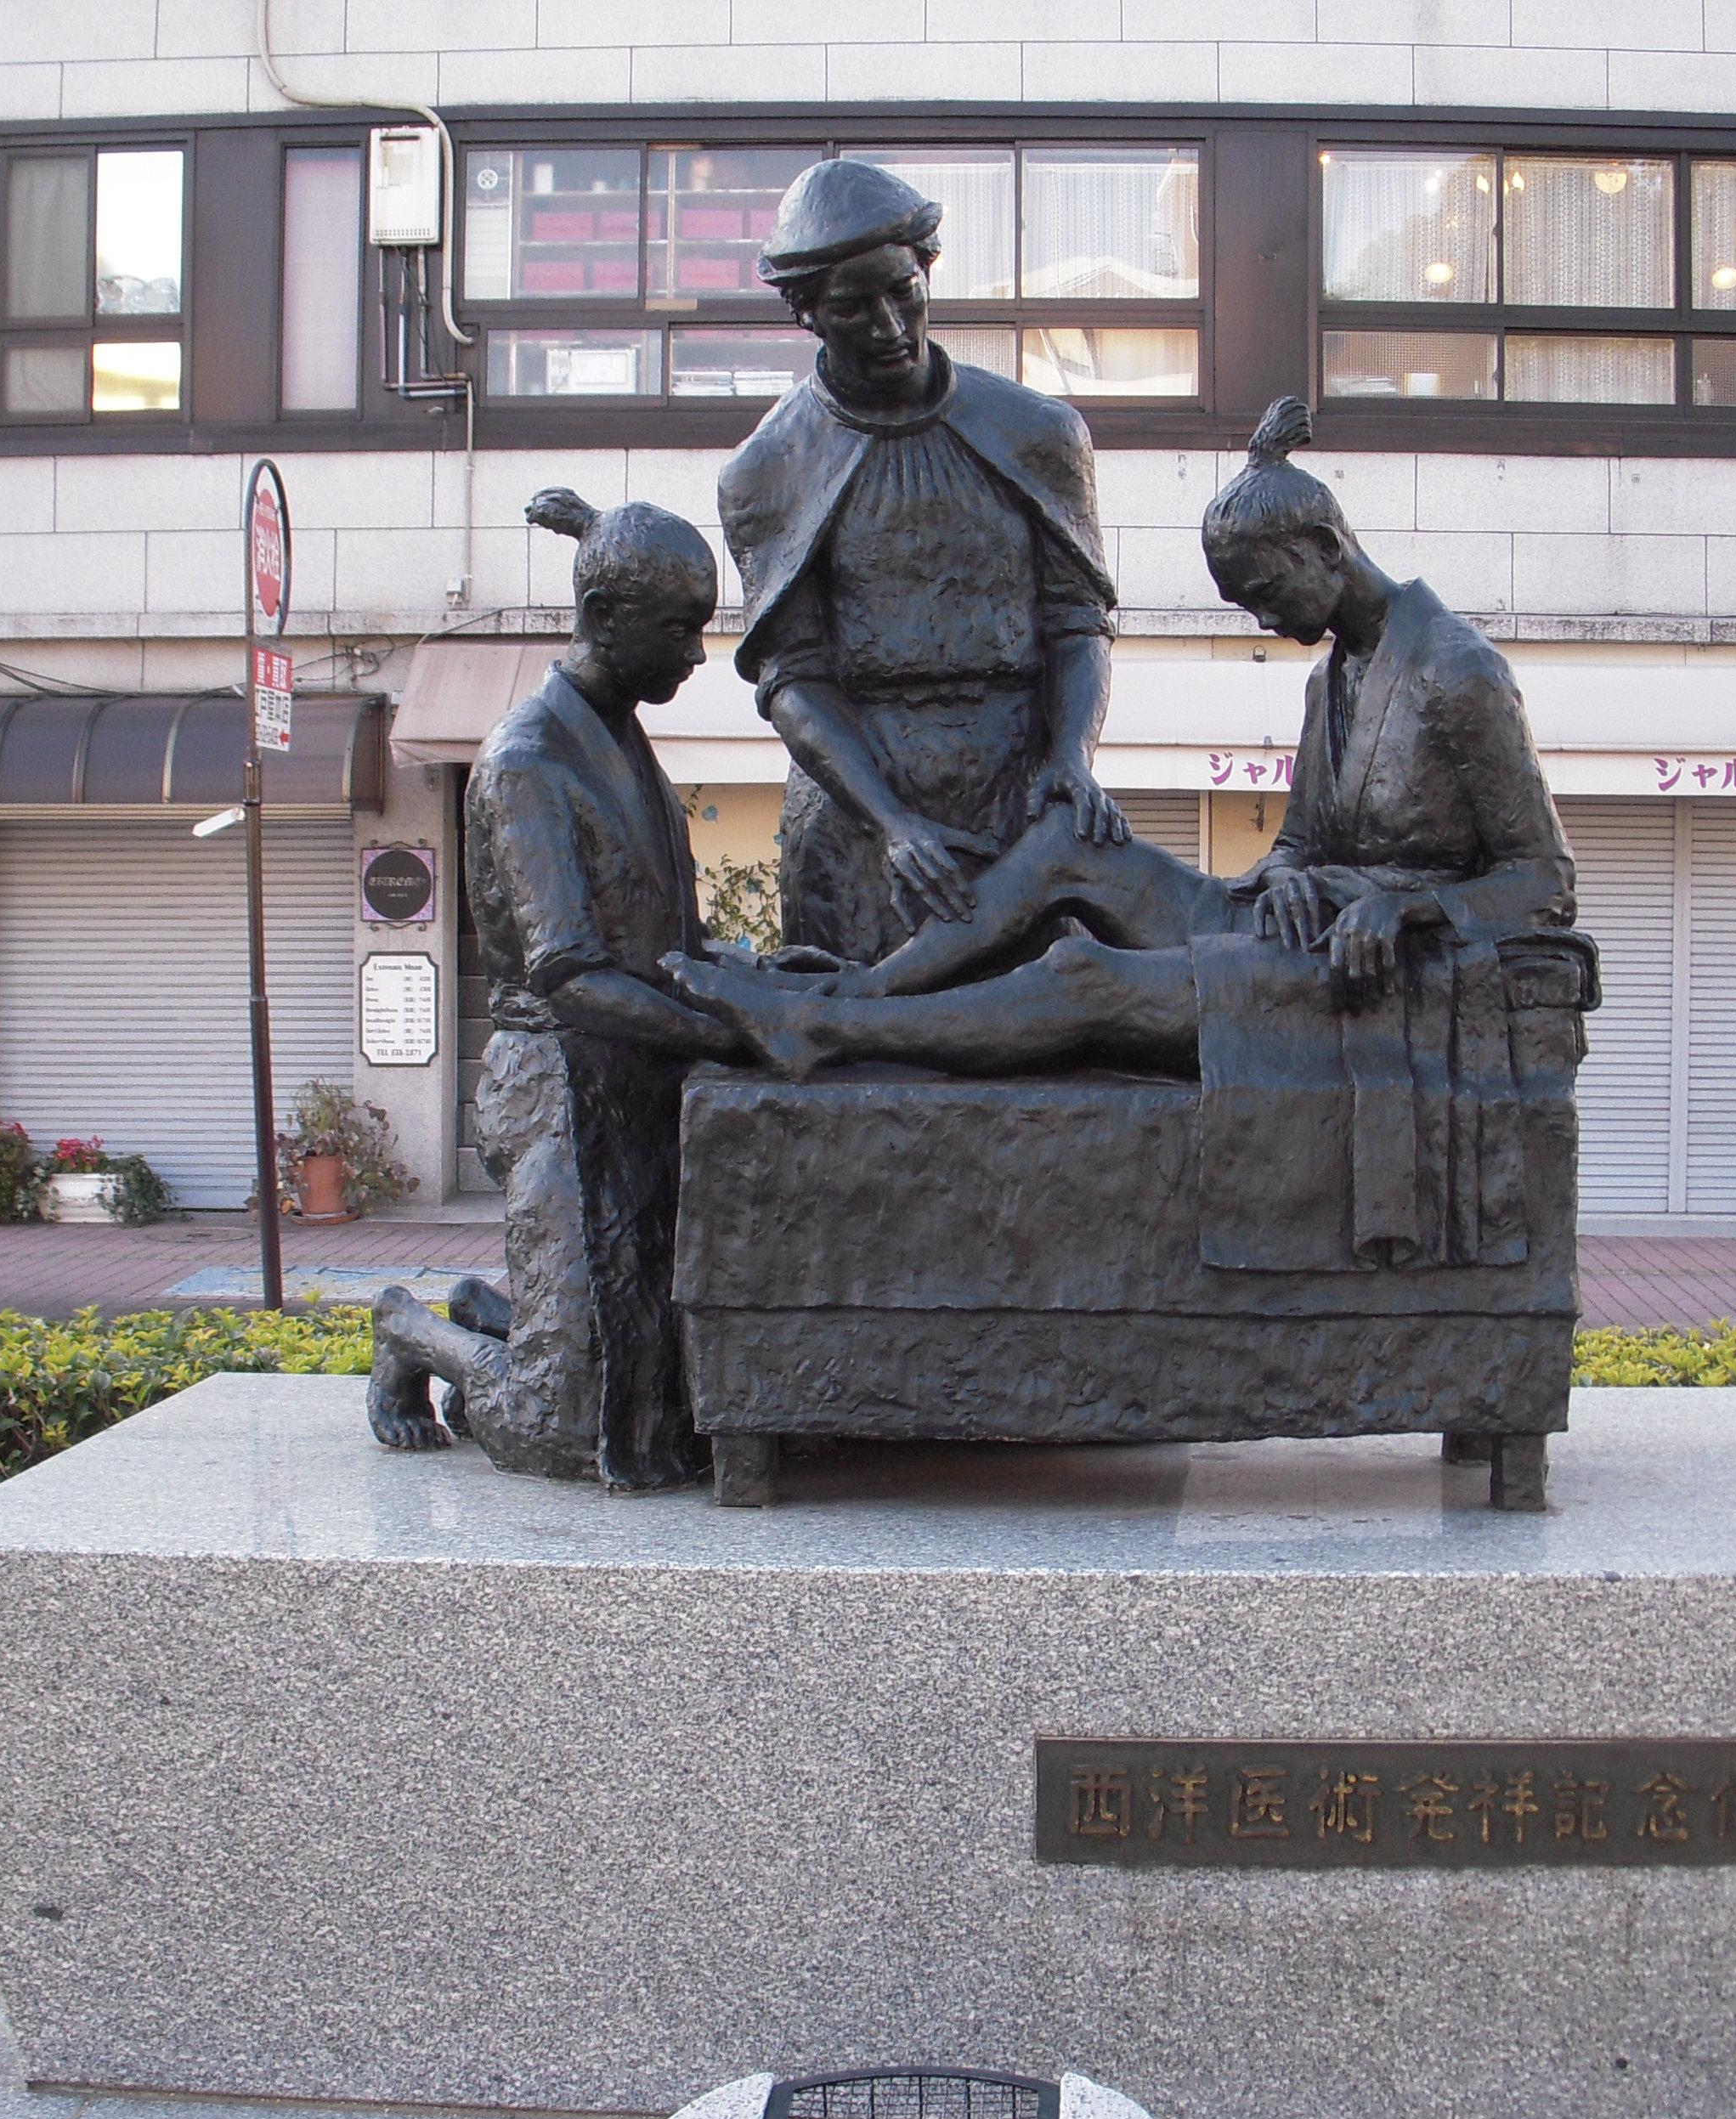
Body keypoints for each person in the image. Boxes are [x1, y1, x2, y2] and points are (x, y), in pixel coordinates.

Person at [670, 398, 1593, 1275]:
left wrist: (1404, 909)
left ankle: (819, 1028)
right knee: (1069, 838)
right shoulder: (1336, 677)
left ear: (1322, 546)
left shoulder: (1460, 673)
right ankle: (860, 986)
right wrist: (1286, 873)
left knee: (1084, 975)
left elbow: (1542, 880)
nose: (1263, 621)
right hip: (1292, 926)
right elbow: (1300, 844)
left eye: (1265, 593)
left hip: (1370, 979)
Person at [368, 489, 744, 1489]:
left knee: (661, 1393)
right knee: (561, 1427)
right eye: (679, 630)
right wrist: (727, 1032)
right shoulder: (529, 759)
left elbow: (663, 932)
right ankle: (409, 1330)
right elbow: (571, 975)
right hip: (560, 1086)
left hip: (641, 1080)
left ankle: (506, 1315)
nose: (695, 655)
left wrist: (748, 979)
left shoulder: (622, 742)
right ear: (604, 617)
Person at [718, 157, 1127, 965]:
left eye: (903, 293)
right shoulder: (766, 472)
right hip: (858, 811)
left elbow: (1076, 619)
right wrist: (892, 823)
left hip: (1020, 791)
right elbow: (793, 676)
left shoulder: (1038, 432)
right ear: (808, 314)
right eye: (852, 308)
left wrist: (1071, 760)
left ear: (928, 272)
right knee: (852, 1029)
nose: (889, 327)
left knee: (1041, 1020)